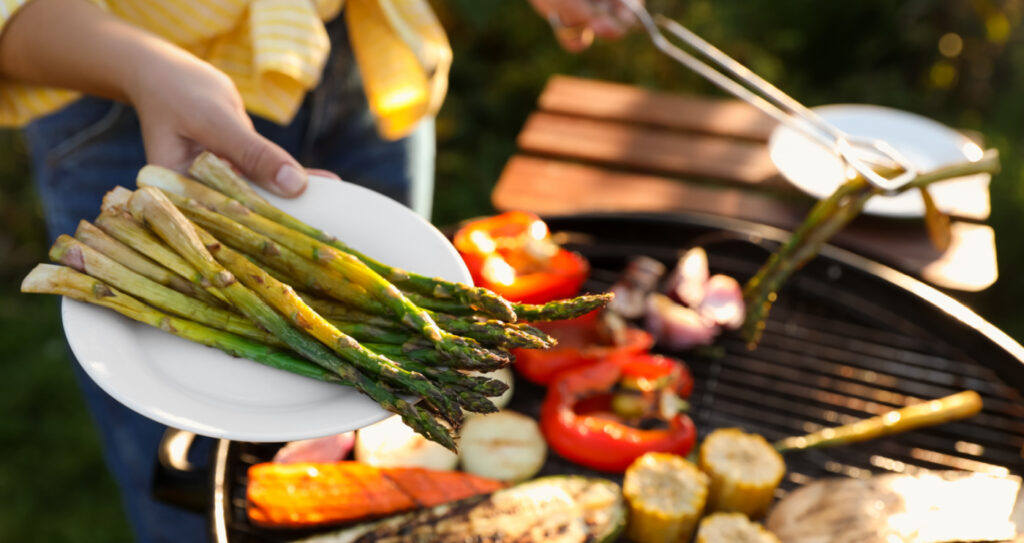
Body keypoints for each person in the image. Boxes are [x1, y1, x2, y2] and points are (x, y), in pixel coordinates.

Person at [0, 0, 637, 540]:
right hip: (106, 72)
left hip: (360, 42)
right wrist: (144, 70)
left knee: (363, 378)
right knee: (178, 486)